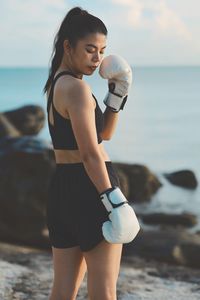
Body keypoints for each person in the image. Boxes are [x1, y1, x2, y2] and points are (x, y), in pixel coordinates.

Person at [44, 6, 140, 300]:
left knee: (62, 290)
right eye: (89, 49)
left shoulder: (56, 86)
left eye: (102, 50)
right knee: (103, 291)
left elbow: (103, 135)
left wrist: (117, 94)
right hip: (92, 188)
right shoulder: (77, 89)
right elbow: (90, 153)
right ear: (68, 46)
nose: (97, 58)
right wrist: (113, 200)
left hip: (62, 189)